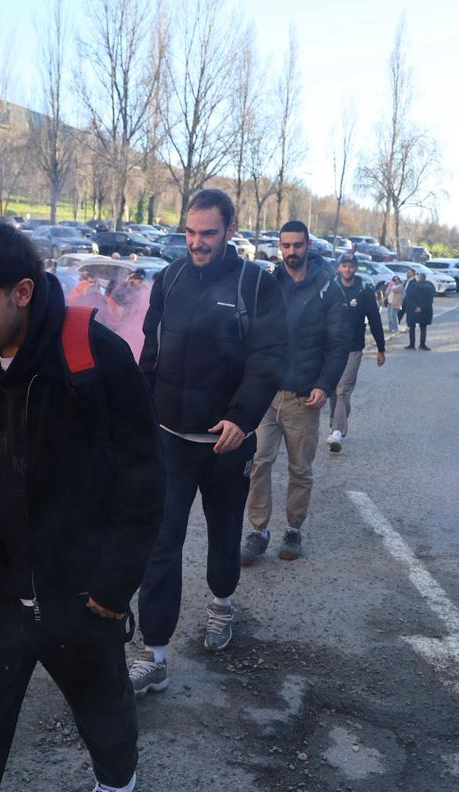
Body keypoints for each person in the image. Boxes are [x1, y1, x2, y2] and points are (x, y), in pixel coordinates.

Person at [0, 221, 163, 792]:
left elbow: (144, 482)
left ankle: (116, 782)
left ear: (23, 292)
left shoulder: (95, 357)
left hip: (78, 597)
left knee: (102, 708)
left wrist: (111, 589)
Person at [131, 189, 287, 692]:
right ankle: (154, 655)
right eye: (190, 233)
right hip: (172, 441)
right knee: (160, 543)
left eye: (208, 234)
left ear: (230, 231)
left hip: (226, 443)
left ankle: (222, 603)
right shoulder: (170, 277)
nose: (197, 243)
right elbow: (150, 349)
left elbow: (269, 359)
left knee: (223, 534)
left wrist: (243, 418)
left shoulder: (256, 284)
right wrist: (139, 411)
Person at [241, 220, 348, 567]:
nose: (291, 252)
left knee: (300, 469)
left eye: (297, 245)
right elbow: (253, 333)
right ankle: (257, 532)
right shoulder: (269, 283)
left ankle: (293, 530)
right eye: (285, 246)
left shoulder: (327, 289)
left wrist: (324, 385)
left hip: (304, 397)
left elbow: (338, 343)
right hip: (267, 395)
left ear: (308, 246)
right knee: (258, 463)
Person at [325, 254, 386, 454]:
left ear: (356, 269)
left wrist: (381, 348)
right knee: (332, 389)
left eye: (351, 266)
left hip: (353, 348)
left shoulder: (364, 291)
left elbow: (375, 320)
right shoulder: (331, 288)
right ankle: (336, 423)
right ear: (339, 268)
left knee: (343, 389)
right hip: (330, 348)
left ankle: (337, 431)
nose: (348, 269)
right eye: (344, 265)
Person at [402, 268, 434, 350]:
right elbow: (430, 300)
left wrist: (415, 307)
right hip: (425, 310)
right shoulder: (430, 286)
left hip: (412, 309)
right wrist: (421, 307)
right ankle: (422, 345)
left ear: (419, 278)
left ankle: (412, 344)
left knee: (412, 327)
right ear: (425, 278)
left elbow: (409, 298)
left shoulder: (412, 286)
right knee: (423, 328)